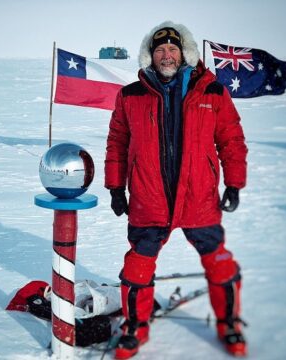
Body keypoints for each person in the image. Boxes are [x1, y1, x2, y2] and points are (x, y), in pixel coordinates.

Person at [105, 21, 248, 359]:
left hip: (198, 196)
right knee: (137, 267)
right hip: (148, 197)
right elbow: (117, 143)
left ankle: (229, 322)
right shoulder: (130, 95)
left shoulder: (211, 91)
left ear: (183, 53)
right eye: (159, 50)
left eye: (172, 48)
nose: (166, 54)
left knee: (220, 262)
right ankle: (135, 327)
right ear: (150, 56)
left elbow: (231, 138)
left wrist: (234, 182)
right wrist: (115, 186)